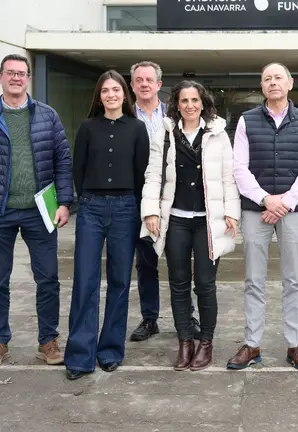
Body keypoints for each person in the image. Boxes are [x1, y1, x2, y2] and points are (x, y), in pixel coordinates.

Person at [0, 54, 72, 368]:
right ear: (0, 77)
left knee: (48, 278)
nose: (16, 78)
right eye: (11, 73)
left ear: (29, 79)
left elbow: (63, 162)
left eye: (22, 73)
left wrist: (64, 202)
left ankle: (47, 341)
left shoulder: (47, 116)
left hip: (39, 211)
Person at [142, 80, 240, 371]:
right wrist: (150, 212)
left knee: (206, 285)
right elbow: (153, 175)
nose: (190, 105)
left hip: (208, 222)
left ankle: (205, 342)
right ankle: (185, 341)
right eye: (184, 100)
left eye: (195, 100)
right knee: (179, 284)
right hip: (177, 222)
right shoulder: (166, 133)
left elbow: (228, 177)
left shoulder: (218, 134)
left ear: (203, 102)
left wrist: (231, 212)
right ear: (177, 104)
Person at [229, 62, 298, 370]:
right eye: (267, 78)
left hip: (292, 212)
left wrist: (285, 202)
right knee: (254, 279)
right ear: (262, 85)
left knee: (293, 280)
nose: (273, 82)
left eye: (278, 77)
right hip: (255, 210)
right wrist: (266, 199)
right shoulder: (246, 120)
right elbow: (239, 168)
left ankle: (294, 344)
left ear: (290, 83)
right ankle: (252, 345)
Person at [64, 70, 150, 380]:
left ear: (125, 94)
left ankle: (110, 351)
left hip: (127, 209)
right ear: (98, 96)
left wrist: (143, 212)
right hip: (91, 209)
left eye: (116, 89)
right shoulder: (88, 128)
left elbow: (142, 174)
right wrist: (86, 199)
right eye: (105, 90)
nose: (111, 94)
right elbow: (79, 168)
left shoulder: (138, 128)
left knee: (119, 281)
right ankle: (79, 356)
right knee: (85, 281)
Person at [127, 61, 201, 342]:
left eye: (149, 80)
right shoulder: (124, 115)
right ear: (132, 85)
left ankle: (187, 316)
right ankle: (150, 319)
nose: (144, 84)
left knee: (179, 261)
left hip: (173, 197)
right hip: (139, 197)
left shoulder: (173, 117)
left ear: (159, 85)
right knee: (145, 261)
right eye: (138, 80)